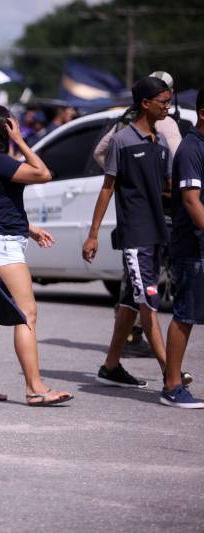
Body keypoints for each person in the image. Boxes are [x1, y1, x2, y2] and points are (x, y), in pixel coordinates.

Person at [0, 105, 73, 406]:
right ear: (4, 130)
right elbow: (43, 173)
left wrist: (29, 228)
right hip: (3, 247)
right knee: (26, 314)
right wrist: (22, 142)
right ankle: (35, 387)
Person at [82, 77, 176, 388]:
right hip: (135, 236)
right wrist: (93, 234)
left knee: (130, 301)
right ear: (145, 104)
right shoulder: (122, 141)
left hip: (156, 233)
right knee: (148, 301)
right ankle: (170, 376)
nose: (167, 107)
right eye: (163, 102)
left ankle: (111, 365)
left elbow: (166, 188)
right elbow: (107, 189)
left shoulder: (161, 143)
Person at [162, 88, 204, 408]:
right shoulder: (191, 149)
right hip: (193, 248)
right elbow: (191, 202)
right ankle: (172, 385)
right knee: (185, 315)